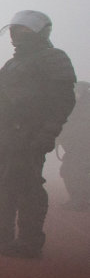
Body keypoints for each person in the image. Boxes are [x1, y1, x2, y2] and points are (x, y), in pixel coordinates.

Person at [0, 10, 75, 258]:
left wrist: (47, 132)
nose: (16, 35)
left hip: (30, 132)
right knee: (3, 182)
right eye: (15, 30)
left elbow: (63, 101)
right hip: (6, 131)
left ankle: (29, 241)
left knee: (28, 186)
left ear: (40, 31)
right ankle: (1, 230)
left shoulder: (53, 58)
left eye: (23, 30)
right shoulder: (14, 63)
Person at [56, 81, 90, 211]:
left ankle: (81, 199)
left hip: (84, 147)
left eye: (80, 89)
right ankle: (77, 199)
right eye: (76, 89)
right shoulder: (70, 106)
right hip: (73, 147)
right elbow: (64, 124)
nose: (77, 92)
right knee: (68, 171)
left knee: (78, 172)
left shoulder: (86, 106)